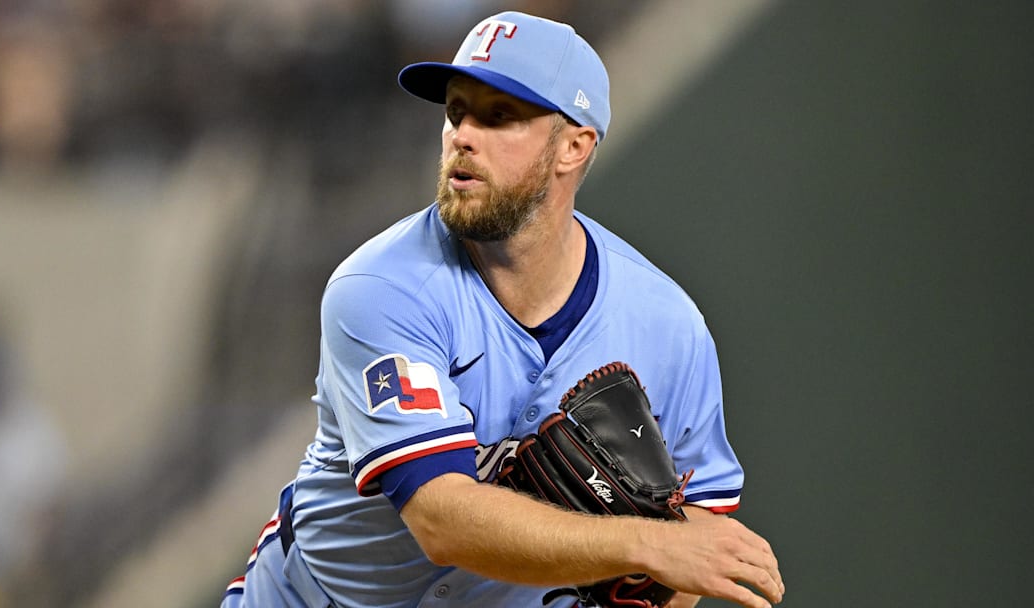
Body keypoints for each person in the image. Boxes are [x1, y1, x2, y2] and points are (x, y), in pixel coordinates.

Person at [222, 10, 783, 608]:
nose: (462, 135)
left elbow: (692, 537)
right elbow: (442, 520)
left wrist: (659, 559)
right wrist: (639, 542)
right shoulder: (383, 286)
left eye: (498, 117)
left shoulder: (668, 329)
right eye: (456, 112)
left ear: (574, 145)